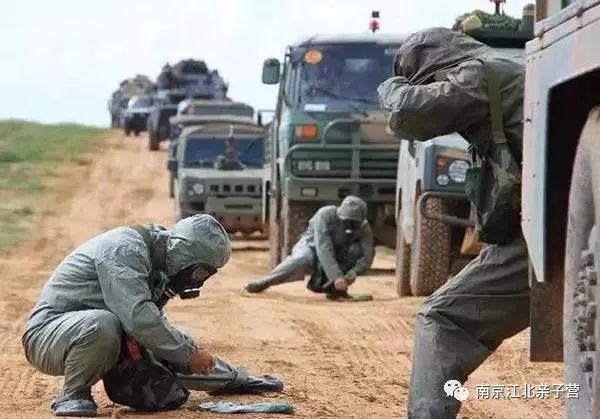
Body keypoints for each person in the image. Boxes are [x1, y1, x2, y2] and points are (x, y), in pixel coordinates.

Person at [378, 28, 527, 418]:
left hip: (558, 224)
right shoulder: (510, 68)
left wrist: (391, 86)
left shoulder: (479, 74)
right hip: (566, 216)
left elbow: (409, 114)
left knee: (442, 318)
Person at [22, 215, 282, 417]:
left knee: (156, 344)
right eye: (200, 272)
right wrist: (189, 353)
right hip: (48, 336)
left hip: (90, 332)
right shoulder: (124, 250)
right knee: (105, 325)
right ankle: (71, 395)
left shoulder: (158, 266)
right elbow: (139, 319)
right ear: (184, 256)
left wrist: (235, 378)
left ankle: (233, 379)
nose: (200, 280)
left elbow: (158, 337)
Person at [244, 196, 375, 299]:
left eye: (354, 222)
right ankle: (264, 282)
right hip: (311, 246)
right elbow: (323, 246)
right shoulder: (325, 215)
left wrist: (355, 271)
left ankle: (334, 289)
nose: (350, 225)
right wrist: (336, 276)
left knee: (355, 251)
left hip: (338, 252)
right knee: (301, 258)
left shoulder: (363, 227)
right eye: (348, 221)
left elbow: (367, 254)